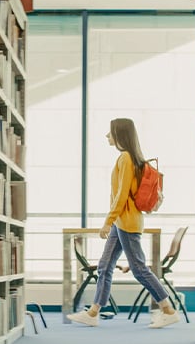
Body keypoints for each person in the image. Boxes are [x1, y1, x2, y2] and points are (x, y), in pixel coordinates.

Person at [67, 118, 180, 329]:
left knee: (138, 269)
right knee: (105, 266)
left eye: (110, 132)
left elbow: (121, 195)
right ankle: (93, 313)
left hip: (126, 222)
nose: (107, 136)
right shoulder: (129, 158)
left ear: (119, 135)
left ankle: (168, 310)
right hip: (123, 222)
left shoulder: (126, 158)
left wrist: (107, 222)